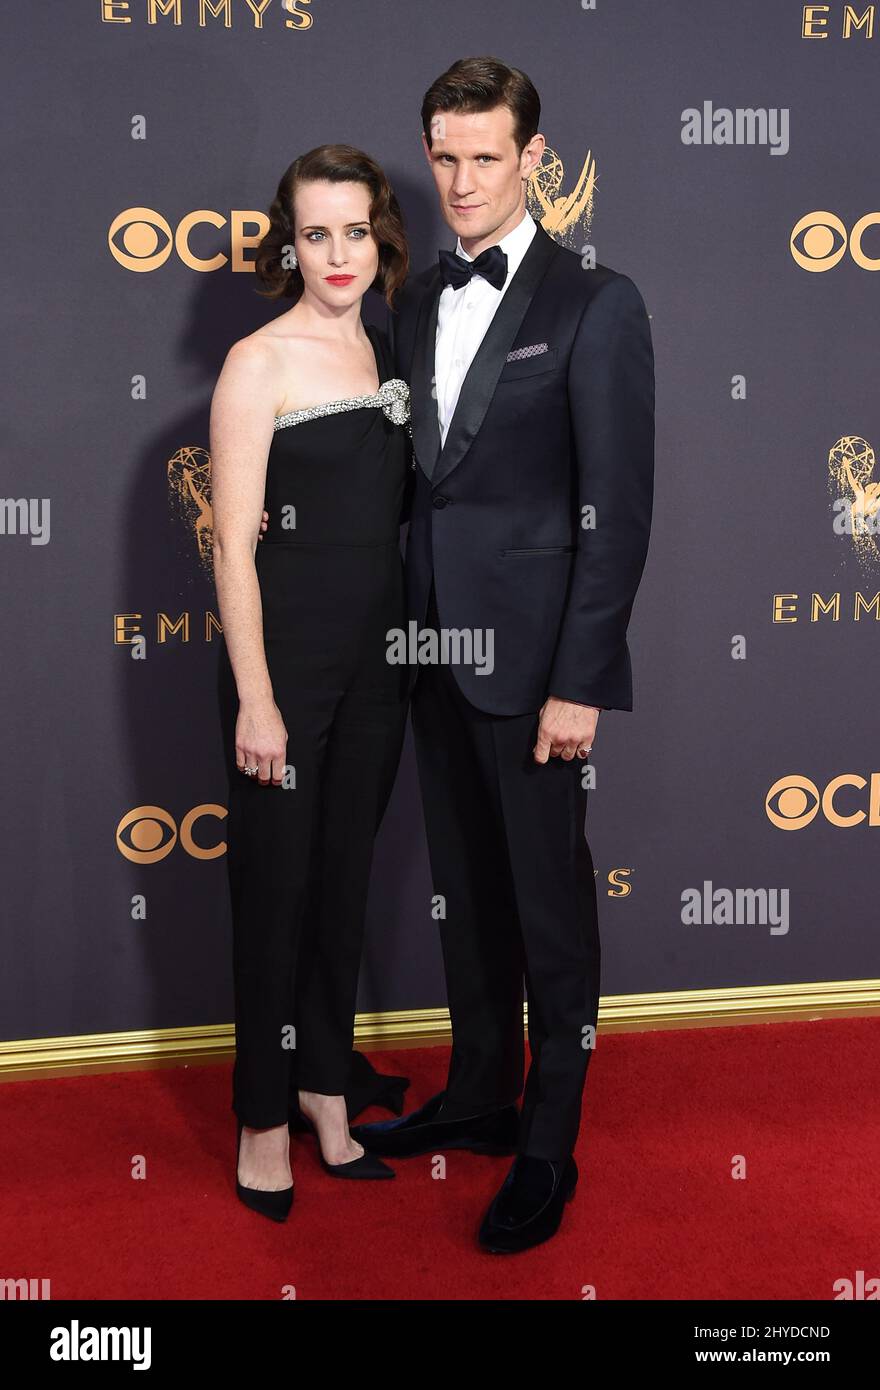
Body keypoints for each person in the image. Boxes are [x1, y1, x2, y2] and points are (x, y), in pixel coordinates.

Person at [348, 57, 655, 1254]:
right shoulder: (413, 297)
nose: (463, 180)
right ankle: (479, 1094)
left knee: (547, 909)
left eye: (487, 156)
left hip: (536, 671)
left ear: (533, 158)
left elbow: (617, 510)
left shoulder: (598, 302)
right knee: (467, 896)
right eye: (445, 155)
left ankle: (547, 1140)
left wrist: (581, 677)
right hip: (430, 647)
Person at [211, 145, 413, 1222]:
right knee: (275, 900)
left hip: (378, 673)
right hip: (283, 673)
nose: (337, 253)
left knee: (342, 892)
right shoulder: (260, 360)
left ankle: (325, 1090)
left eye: (355, 230)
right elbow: (233, 547)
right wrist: (256, 698)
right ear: (286, 241)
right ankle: (258, 1121)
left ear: (379, 234)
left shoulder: (381, 347)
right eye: (315, 233)